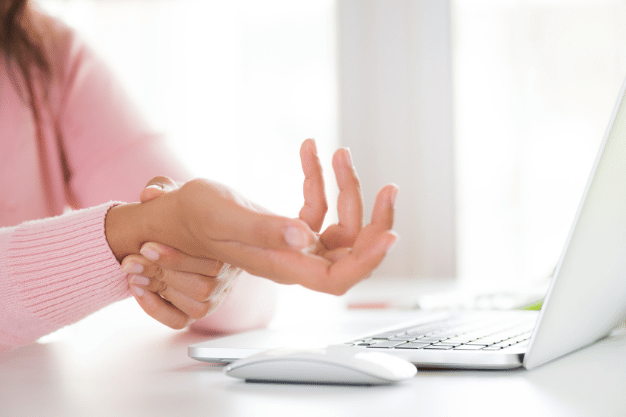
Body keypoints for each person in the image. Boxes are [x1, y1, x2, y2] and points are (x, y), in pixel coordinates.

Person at [0, 0, 398, 351]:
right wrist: (131, 234)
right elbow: (158, 221)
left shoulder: (44, 53)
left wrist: (251, 249)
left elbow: (243, 295)